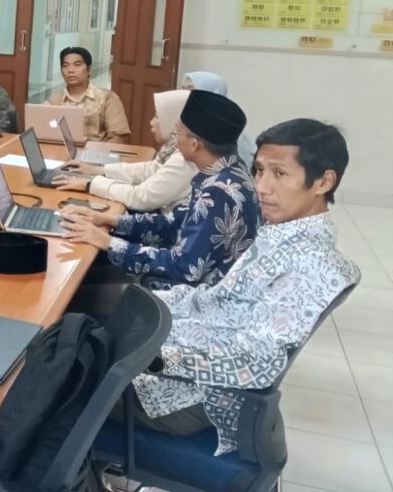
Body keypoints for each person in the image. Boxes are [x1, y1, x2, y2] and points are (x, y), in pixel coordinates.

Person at [118, 119, 360, 456]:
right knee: (81, 339)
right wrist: (145, 305)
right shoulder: (283, 233)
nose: (262, 187)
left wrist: (156, 359)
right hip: (189, 350)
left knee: (64, 385)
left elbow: (257, 361)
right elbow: (219, 301)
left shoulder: (313, 264)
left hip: (194, 395)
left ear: (323, 181)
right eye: (259, 170)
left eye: (279, 174)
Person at [61, 90, 260, 289]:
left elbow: (183, 267)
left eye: (177, 132)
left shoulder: (217, 192)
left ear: (194, 145)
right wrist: (108, 220)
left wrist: (108, 242)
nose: (174, 139)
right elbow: (173, 224)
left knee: (81, 286)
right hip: (183, 273)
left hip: (192, 295)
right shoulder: (229, 170)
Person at [52, 89, 197, 213]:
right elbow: (152, 169)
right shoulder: (173, 148)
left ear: (174, 121)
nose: (151, 122)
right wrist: (98, 170)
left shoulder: (184, 158)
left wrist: (90, 184)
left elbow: (141, 197)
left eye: (157, 116)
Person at [46, 46, 129, 142]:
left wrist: (99, 151)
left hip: (96, 149)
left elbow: (118, 137)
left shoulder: (107, 98)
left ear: (89, 69)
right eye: (65, 66)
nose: (70, 70)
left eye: (77, 65)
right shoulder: (54, 100)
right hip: (62, 149)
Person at [181, 70, 256, 170]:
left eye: (190, 90)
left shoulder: (230, 132)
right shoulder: (189, 124)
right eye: (183, 89)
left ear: (211, 93)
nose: (184, 95)